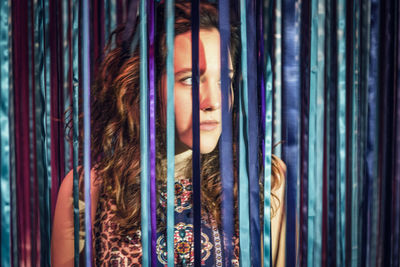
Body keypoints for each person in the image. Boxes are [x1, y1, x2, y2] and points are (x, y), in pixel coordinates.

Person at [51, 1, 286, 266]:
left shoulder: (264, 181)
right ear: (145, 87)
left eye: (224, 81)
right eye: (190, 79)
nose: (213, 101)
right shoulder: (88, 190)